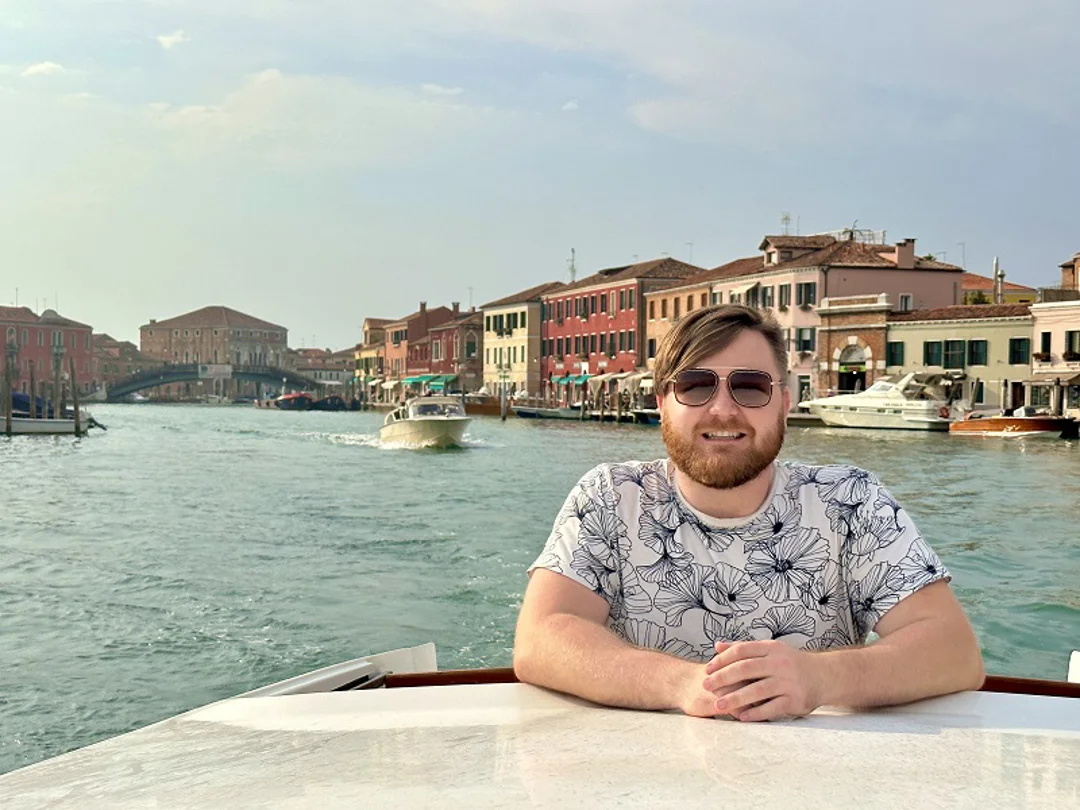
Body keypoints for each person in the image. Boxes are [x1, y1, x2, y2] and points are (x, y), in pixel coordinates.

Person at [514, 304, 984, 722]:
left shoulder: (851, 501)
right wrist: (682, 685)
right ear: (661, 405)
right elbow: (541, 638)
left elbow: (953, 650)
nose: (722, 409)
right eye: (695, 385)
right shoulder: (612, 496)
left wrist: (818, 678)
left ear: (783, 402)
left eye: (750, 386)